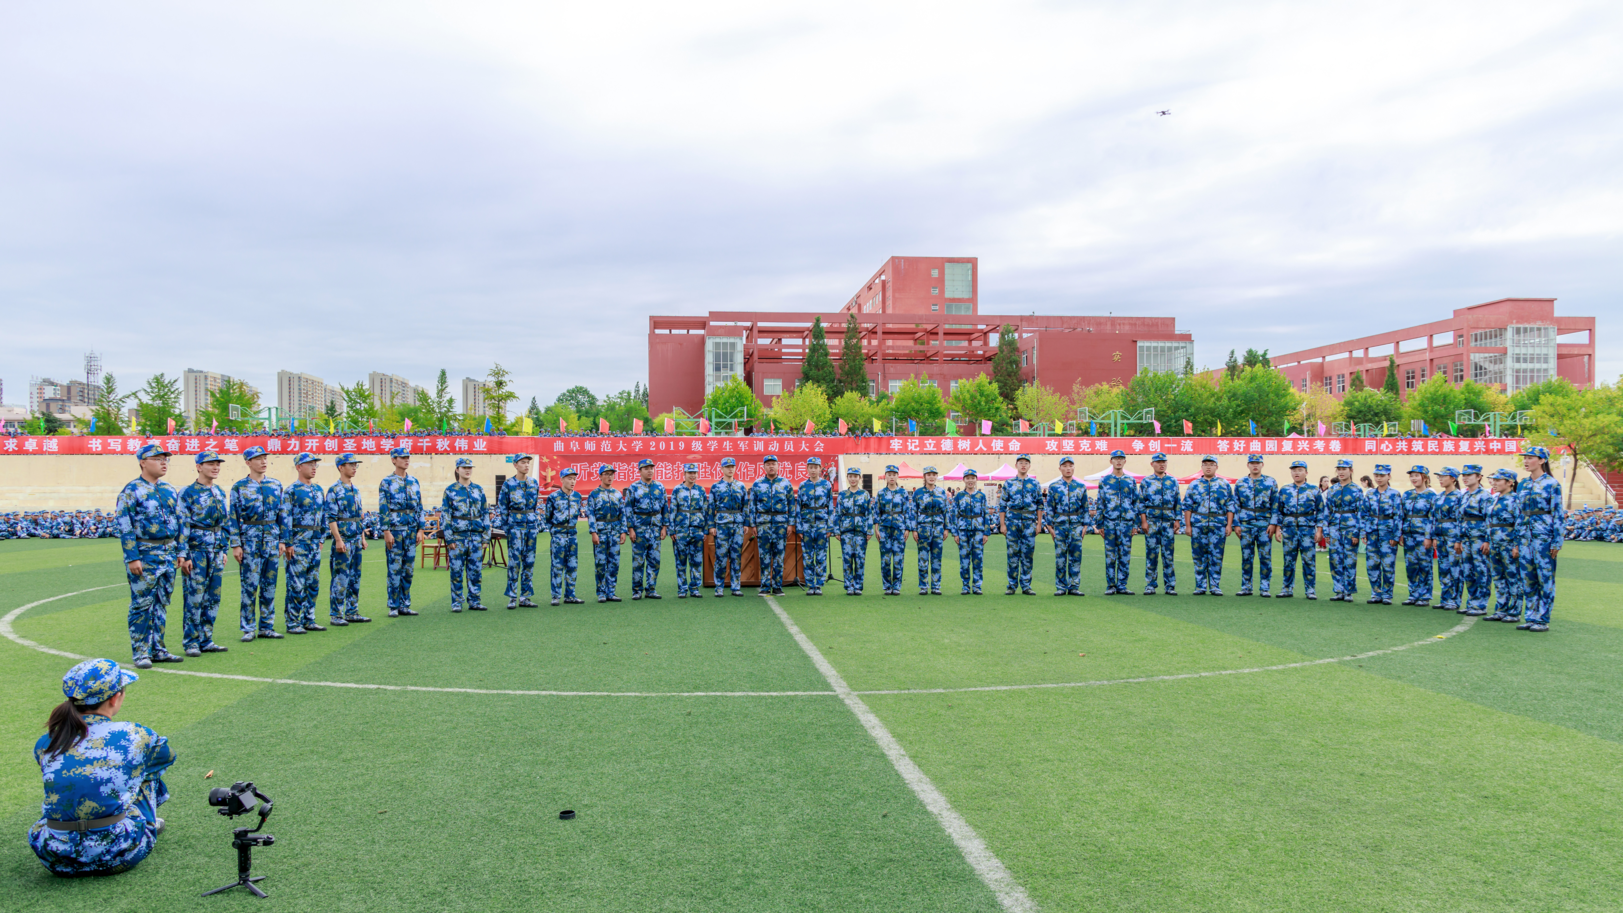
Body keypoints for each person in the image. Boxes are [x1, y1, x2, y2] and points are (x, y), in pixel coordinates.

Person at [29, 659, 175, 877]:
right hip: (120, 854)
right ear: (115, 697)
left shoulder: (47, 741)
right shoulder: (135, 734)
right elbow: (167, 757)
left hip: (56, 859)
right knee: (146, 772)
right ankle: (148, 822)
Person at [115, 444, 185, 668]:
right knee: (142, 604)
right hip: (145, 554)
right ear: (143, 462)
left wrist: (181, 551)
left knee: (161, 603)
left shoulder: (169, 489)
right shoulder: (132, 490)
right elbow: (124, 525)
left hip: (168, 553)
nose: (164, 462)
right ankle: (140, 652)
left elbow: (180, 521)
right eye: (157, 458)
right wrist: (132, 557)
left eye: (166, 459)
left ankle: (158, 649)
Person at [177, 451, 231, 656]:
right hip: (196, 551)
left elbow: (224, 523)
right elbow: (183, 525)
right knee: (194, 597)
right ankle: (191, 642)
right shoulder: (188, 492)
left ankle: (206, 639)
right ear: (199, 467)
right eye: (210, 464)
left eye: (218, 464)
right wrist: (184, 555)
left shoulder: (219, 491)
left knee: (213, 597)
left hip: (216, 551)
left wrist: (223, 549)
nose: (215, 467)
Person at [229, 446, 284, 641]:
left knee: (270, 585)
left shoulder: (275, 485)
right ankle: (248, 628)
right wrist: (236, 544)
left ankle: (267, 626)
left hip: (271, 540)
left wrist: (283, 540)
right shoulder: (239, 487)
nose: (263, 461)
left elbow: (282, 514)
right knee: (249, 586)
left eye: (265, 458)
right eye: (258, 458)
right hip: (249, 541)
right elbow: (233, 517)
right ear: (248, 462)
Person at [1516, 445, 1563, 632]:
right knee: (1528, 578)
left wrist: (1557, 541)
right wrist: (1516, 539)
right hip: (1525, 537)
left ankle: (1542, 619)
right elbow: (1518, 513)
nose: (1526, 461)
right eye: (1525, 458)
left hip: (1544, 537)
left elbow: (1558, 514)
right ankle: (1531, 617)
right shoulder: (1523, 484)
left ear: (1542, 460)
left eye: (1531, 458)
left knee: (1545, 578)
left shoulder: (1552, 484)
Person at [280, 453, 328, 632]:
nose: (314, 467)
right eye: (309, 464)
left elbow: (323, 516)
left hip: (314, 543)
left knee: (313, 584)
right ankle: (293, 622)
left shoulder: (318, 489)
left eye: (315, 464)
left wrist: (321, 538)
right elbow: (285, 518)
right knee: (296, 584)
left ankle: (309, 619)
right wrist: (288, 542)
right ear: (299, 467)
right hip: (298, 543)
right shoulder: (291, 491)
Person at [379, 447, 426, 617]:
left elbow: (419, 506)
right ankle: (393, 605)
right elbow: (383, 507)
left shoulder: (414, 481)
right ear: (393, 459)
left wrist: (421, 529)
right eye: (402, 457)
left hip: (411, 531)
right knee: (394, 569)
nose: (406, 460)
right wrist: (386, 531)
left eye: (408, 457)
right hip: (395, 531)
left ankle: (405, 605)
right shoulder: (387, 482)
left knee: (408, 570)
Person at [325, 453, 370, 625]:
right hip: (343, 539)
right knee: (340, 578)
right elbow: (331, 517)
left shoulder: (355, 489)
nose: (354, 468)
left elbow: (359, 516)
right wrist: (338, 539)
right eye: (350, 465)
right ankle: (336, 614)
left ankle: (352, 611)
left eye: (355, 465)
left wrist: (363, 537)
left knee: (355, 577)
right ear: (341, 467)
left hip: (356, 539)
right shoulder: (334, 490)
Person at [442, 457, 490, 612]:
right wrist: (449, 537)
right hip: (458, 536)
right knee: (456, 571)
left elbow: (485, 513)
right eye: (464, 467)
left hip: (476, 536)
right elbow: (446, 516)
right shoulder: (450, 490)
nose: (467, 470)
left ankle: (475, 601)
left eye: (470, 467)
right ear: (457, 470)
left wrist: (486, 536)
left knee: (475, 571)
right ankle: (457, 602)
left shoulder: (478, 489)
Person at [1183, 456, 1235, 595]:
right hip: (1198, 525)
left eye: (1211, 464)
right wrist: (1188, 525)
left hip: (1218, 525)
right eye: (1205, 464)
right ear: (1201, 467)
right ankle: (1200, 586)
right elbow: (1187, 506)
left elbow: (1230, 506)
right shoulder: (1194, 485)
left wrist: (1229, 525)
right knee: (1199, 556)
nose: (1208, 467)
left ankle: (1214, 586)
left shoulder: (1224, 484)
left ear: (1216, 467)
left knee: (1216, 556)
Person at [1273, 460, 1324, 599]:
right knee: (1288, 560)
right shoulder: (1284, 490)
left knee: (1309, 560)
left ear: (1306, 472)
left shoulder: (1314, 490)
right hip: (1289, 530)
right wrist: (1278, 528)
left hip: (1307, 530)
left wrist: (1319, 530)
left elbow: (1320, 511)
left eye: (1300, 470)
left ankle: (1310, 590)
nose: (1296, 473)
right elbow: (1278, 511)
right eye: (1294, 470)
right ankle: (1287, 589)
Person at [496, 454, 541, 609]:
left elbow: (534, 505)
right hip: (515, 526)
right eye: (523, 462)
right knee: (514, 562)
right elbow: (503, 507)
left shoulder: (533, 483)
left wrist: (534, 522)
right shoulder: (508, 484)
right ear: (515, 465)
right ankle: (512, 596)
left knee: (529, 562)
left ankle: (525, 597)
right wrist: (507, 527)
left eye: (528, 462)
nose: (526, 465)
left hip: (530, 527)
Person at [746, 455, 795, 596]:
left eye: (773, 464)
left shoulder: (785, 483)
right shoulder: (757, 484)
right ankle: (765, 586)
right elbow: (752, 505)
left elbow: (791, 505)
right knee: (764, 556)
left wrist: (790, 524)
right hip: (763, 524)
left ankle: (777, 586)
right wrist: (753, 524)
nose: (771, 466)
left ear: (778, 466)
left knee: (779, 556)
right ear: (764, 467)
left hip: (781, 524)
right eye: (768, 464)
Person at [1093, 450, 1139, 595]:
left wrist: (1135, 524)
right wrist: (1100, 524)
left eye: (1121, 459)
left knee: (1125, 555)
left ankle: (1122, 585)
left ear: (1125, 461)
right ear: (1111, 461)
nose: (1118, 461)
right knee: (1110, 556)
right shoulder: (1105, 481)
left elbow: (1136, 503)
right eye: (1115, 459)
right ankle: (1111, 585)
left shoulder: (1130, 481)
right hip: (1110, 523)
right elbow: (1100, 503)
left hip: (1126, 523)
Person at [1233, 455, 1278, 597]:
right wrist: (1236, 524)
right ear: (1248, 465)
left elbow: (1275, 505)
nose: (1255, 466)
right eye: (1252, 463)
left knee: (1265, 557)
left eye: (1257, 463)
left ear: (1262, 465)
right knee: (1246, 557)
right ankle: (1246, 586)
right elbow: (1236, 505)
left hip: (1265, 525)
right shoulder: (1240, 483)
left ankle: (1265, 587)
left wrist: (1273, 523)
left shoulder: (1270, 482)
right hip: (1246, 525)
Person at [1045, 456, 1090, 596]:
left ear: (1074, 468)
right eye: (1065, 466)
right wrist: (1050, 527)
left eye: (1070, 466)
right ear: (1060, 469)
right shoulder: (1054, 487)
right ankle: (1061, 587)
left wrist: (1085, 526)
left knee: (1076, 557)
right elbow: (1050, 508)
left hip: (1076, 525)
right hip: (1060, 526)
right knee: (1060, 557)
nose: (1068, 468)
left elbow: (1085, 508)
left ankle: (1074, 586)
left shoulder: (1081, 486)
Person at [624, 458, 669, 600]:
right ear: (640, 471)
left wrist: (664, 527)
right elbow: (628, 509)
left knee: (654, 561)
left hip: (655, 528)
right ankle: (637, 590)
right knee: (638, 561)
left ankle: (651, 589)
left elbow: (665, 508)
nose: (650, 471)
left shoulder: (660, 487)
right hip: (639, 528)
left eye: (651, 468)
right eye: (646, 468)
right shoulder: (633, 488)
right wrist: (630, 529)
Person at [999, 454, 1043, 596]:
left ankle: (1026, 585)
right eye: (1021, 463)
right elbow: (1002, 505)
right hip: (1012, 522)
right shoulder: (1009, 483)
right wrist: (1002, 524)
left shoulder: (1035, 483)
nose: (1023, 465)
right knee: (1012, 554)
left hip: (1029, 523)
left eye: (1026, 463)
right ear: (1016, 465)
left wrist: (1039, 523)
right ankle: (1012, 585)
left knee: (1028, 554)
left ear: (1029, 466)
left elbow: (1040, 505)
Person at [1361, 464, 1404, 605]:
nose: (1379, 478)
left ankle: (1387, 595)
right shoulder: (1370, 494)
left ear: (1389, 476)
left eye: (1382, 476)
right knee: (1372, 565)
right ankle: (1376, 593)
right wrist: (1363, 532)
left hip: (1388, 534)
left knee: (1388, 565)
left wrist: (1395, 536)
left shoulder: (1394, 494)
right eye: (1377, 476)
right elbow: (1364, 514)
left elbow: (1398, 516)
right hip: (1372, 533)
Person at [1138, 453, 1180, 595]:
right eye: (1158, 462)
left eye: (1164, 462)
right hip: (1152, 522)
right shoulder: (1146, 481)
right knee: (1151, 554)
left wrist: (1177, 520)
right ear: (1152, 464)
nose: (1161, 464)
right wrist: (1143, 521)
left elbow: (1177, 502)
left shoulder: (1172, 481)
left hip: (1168, 522)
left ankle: (1170, 586)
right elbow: (1141, 503)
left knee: (1168, 555)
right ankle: (1150, 585)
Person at [1485, 468, 1523, 622]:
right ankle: (1501, 609)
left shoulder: (1516, 500)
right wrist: (1487, 540)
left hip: (1508, 543)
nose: (1494, 483)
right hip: (1494, 544)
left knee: (1513, 577)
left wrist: (1517, 545)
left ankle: (1514, 612)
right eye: (1493, 480)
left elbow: (1519, 524)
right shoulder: (1494, 499)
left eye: (1498, 480)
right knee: (1498, 577)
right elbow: (1489, 522)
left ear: (1510, 482)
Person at [544, 467, 585, 606]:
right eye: (569, 478)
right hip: (558, 535)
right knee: (557, 566)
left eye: (574, 479)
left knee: (572, 566)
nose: (572, 481)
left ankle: (570, 595)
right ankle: (556, 596)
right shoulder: (553, 497)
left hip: (572, 535)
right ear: (562, 479)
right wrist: (555, 532)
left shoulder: (577, 496)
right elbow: (548, 517)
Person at [585, 465, 626, 603]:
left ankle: (611, 592)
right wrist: (593, 532)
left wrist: (623, 531)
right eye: (606, 474)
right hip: (601, 532)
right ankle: (601, 592)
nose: (609, 477)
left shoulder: (617, 494)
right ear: (600, 476)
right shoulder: (594, 494)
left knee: (614, 563)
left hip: (615, 532)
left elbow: (622, 514)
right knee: (600, 564)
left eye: (611, 474)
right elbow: (590, 514)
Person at [670, 464, 712, 598]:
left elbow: (705, 510)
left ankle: (694, 588)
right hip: (681, 530)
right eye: (690, 473)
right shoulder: (677, 489)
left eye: (695, 473)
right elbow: (673, 510)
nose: (692, 475)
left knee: (697, 561)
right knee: (680, 561)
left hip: (697, 530)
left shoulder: (700, 490)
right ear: (684, 474)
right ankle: (682, 589)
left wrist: (705, 530)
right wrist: (672, 530)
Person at [1455, 464, 1492, 616]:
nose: (1465, 478)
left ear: (1479, 477)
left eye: (1469, 475)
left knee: (1481, 571)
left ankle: (1481, 604)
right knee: (1468, 572)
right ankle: (1472, 602)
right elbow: (1460, 519)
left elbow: (1489, 519)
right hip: (1466, 539)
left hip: (1479, 538)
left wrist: (1488, 540)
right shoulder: (1464, 495)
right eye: (1463, 475)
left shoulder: (1485, 496)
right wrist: (1459, 539)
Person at [1325, 460, 1363, 602]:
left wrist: (1357, 532)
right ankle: (1338, 590)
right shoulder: (1332, 490)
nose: (1341, 472)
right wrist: (1326, 532)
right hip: (1334, 528)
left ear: (1351, 470)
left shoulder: (1356, 489)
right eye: (1339, 469)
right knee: (1335, 560)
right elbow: (1327, 511)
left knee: (1350, 561)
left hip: (1350, 528)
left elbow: (1361, 513)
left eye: (1344, 469)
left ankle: (1348, 591)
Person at [1399, 465, 1437, 607]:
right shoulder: (1407, 495)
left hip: (1423, 536)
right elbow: (1401, 515)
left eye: (1416, 475)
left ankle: (1425, 596)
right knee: (1411, 566)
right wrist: (1400, 533)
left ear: (1425, 478)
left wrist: (1429, 537)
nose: (1413, 478)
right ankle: (1413, 594)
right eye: (1411, 476)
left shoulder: (1431, 496)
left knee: (1425, 566)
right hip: (1408, 535)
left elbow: (1433, 518)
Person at [873, 465, 914, 596]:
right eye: (889, 474)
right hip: (884, 528)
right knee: (885, 559)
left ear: (897, 476)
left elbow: (907, 512)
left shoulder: (903, 493)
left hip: (899, 528)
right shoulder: (881, 493)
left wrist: (907, 528)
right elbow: (876, 512)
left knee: (898, 558)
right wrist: (876, 528)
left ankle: (896, 586)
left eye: (894, 474)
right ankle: (887, 586)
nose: (891, 477)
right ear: (885, 476)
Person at [796, 458, 835, 595]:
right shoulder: (802, 485)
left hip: (822, 524)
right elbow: (798, 507)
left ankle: (818, 584)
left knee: (821, 556)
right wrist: (799, 527)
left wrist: (830, 527)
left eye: (815, 467)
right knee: (807, 556)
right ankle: (810, 584)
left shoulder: (826, 485)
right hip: (806, 524)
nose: (813, 470)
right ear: (807, 468)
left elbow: (830, 506)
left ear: (820, 468)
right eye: (810, 467)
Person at [709, 458, 747, 596]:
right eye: (727, 467)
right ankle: (719, 587)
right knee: (721, 557)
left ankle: (735, 587)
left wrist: (746, 523)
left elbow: (745, 506)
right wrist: (711, 525)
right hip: (721, 525)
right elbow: (710, 507)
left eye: (732, 466)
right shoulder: (716, 487)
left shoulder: (740, 486)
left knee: (736, 557)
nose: (730, 469)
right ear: (722, 469)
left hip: (737, 525)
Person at [948, 468, 990, 595]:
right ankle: (965, 586)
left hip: (978, 531)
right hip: (963, 531)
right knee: (964, 559)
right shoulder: (959, 496)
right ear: (964, 480)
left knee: (978, 559)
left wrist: (986, 532)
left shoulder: (981, 496)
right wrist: (955, 533)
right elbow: (954, 515)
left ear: (976, 480)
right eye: (968, 478)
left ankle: (977, 586)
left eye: (972, 478)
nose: (970, 481)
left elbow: (986, 514)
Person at [834, 466, 874, 594]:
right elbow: (837, 514)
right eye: (850, 476)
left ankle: (858, 586)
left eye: (855, 476)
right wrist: (837, 530)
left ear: (859, 478)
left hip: (861, 531)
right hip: (846, 531)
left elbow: (869, 513)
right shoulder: (842, 495)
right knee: (847, 559)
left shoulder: (865, 494)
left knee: (860, 559)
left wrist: (869, 530)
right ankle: (849, 586)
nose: (853, 479)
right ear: (847, 478)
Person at [912, 466, 950, 595]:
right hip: (923, 528)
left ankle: (936, 586)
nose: (931, 477)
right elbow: (913, 512)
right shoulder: (918, 493)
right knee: (923, 558)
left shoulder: (941, 492)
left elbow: (946, 511)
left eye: (934, 474)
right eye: (929, 475)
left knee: (936, 558)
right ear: (924, 477)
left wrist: (946, 528)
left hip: (938, 529)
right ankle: (923, 586)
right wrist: (914, 529)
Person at [1432, 468, 1465, 611]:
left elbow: (1461, 519)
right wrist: (1434, 536)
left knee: (1455, 569)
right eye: (1439, 477)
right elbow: (1434, 517)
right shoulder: (1438, 497)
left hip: (1453, 536)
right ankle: (1445, 598)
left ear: (1453, 479)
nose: (1440, 479)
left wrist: (1459, 539)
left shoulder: (1459, 496)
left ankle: (1455, 600)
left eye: (1443, 477)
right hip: (1440, 537)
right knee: (1443, 568)